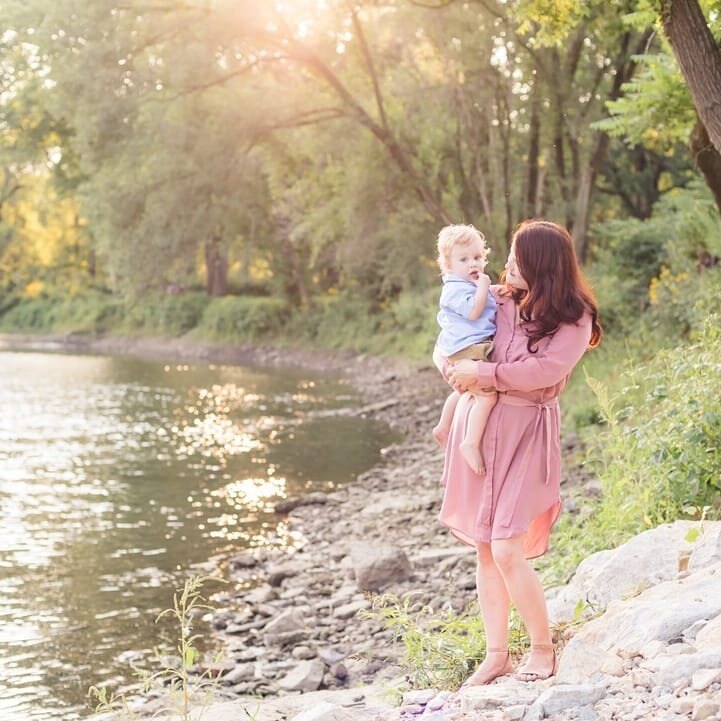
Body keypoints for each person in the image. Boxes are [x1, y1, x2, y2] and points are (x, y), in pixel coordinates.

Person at [433, 219, 601, 686]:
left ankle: (542, 647)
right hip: (482, 427)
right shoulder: (503, 299)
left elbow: (543, 370)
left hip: (526, 433)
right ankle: (497, 654)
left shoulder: (574, 317)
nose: (505, 266)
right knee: (487, 549)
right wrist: (451, 368)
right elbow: (451, 334)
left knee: (507, 546)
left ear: (542, 266)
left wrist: (482, 376)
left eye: (515, 259)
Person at [432, 224, 498, 475]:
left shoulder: (465, 286)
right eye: (464, 259)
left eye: (478, 257)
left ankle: (443, 426)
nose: (474, 264)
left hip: (467, 348)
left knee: (466, 391)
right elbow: (473, 311)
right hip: (468, 349)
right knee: (486, 396)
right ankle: (470, 442)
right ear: (448, 265)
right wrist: (484, 287)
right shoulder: (454, 289)